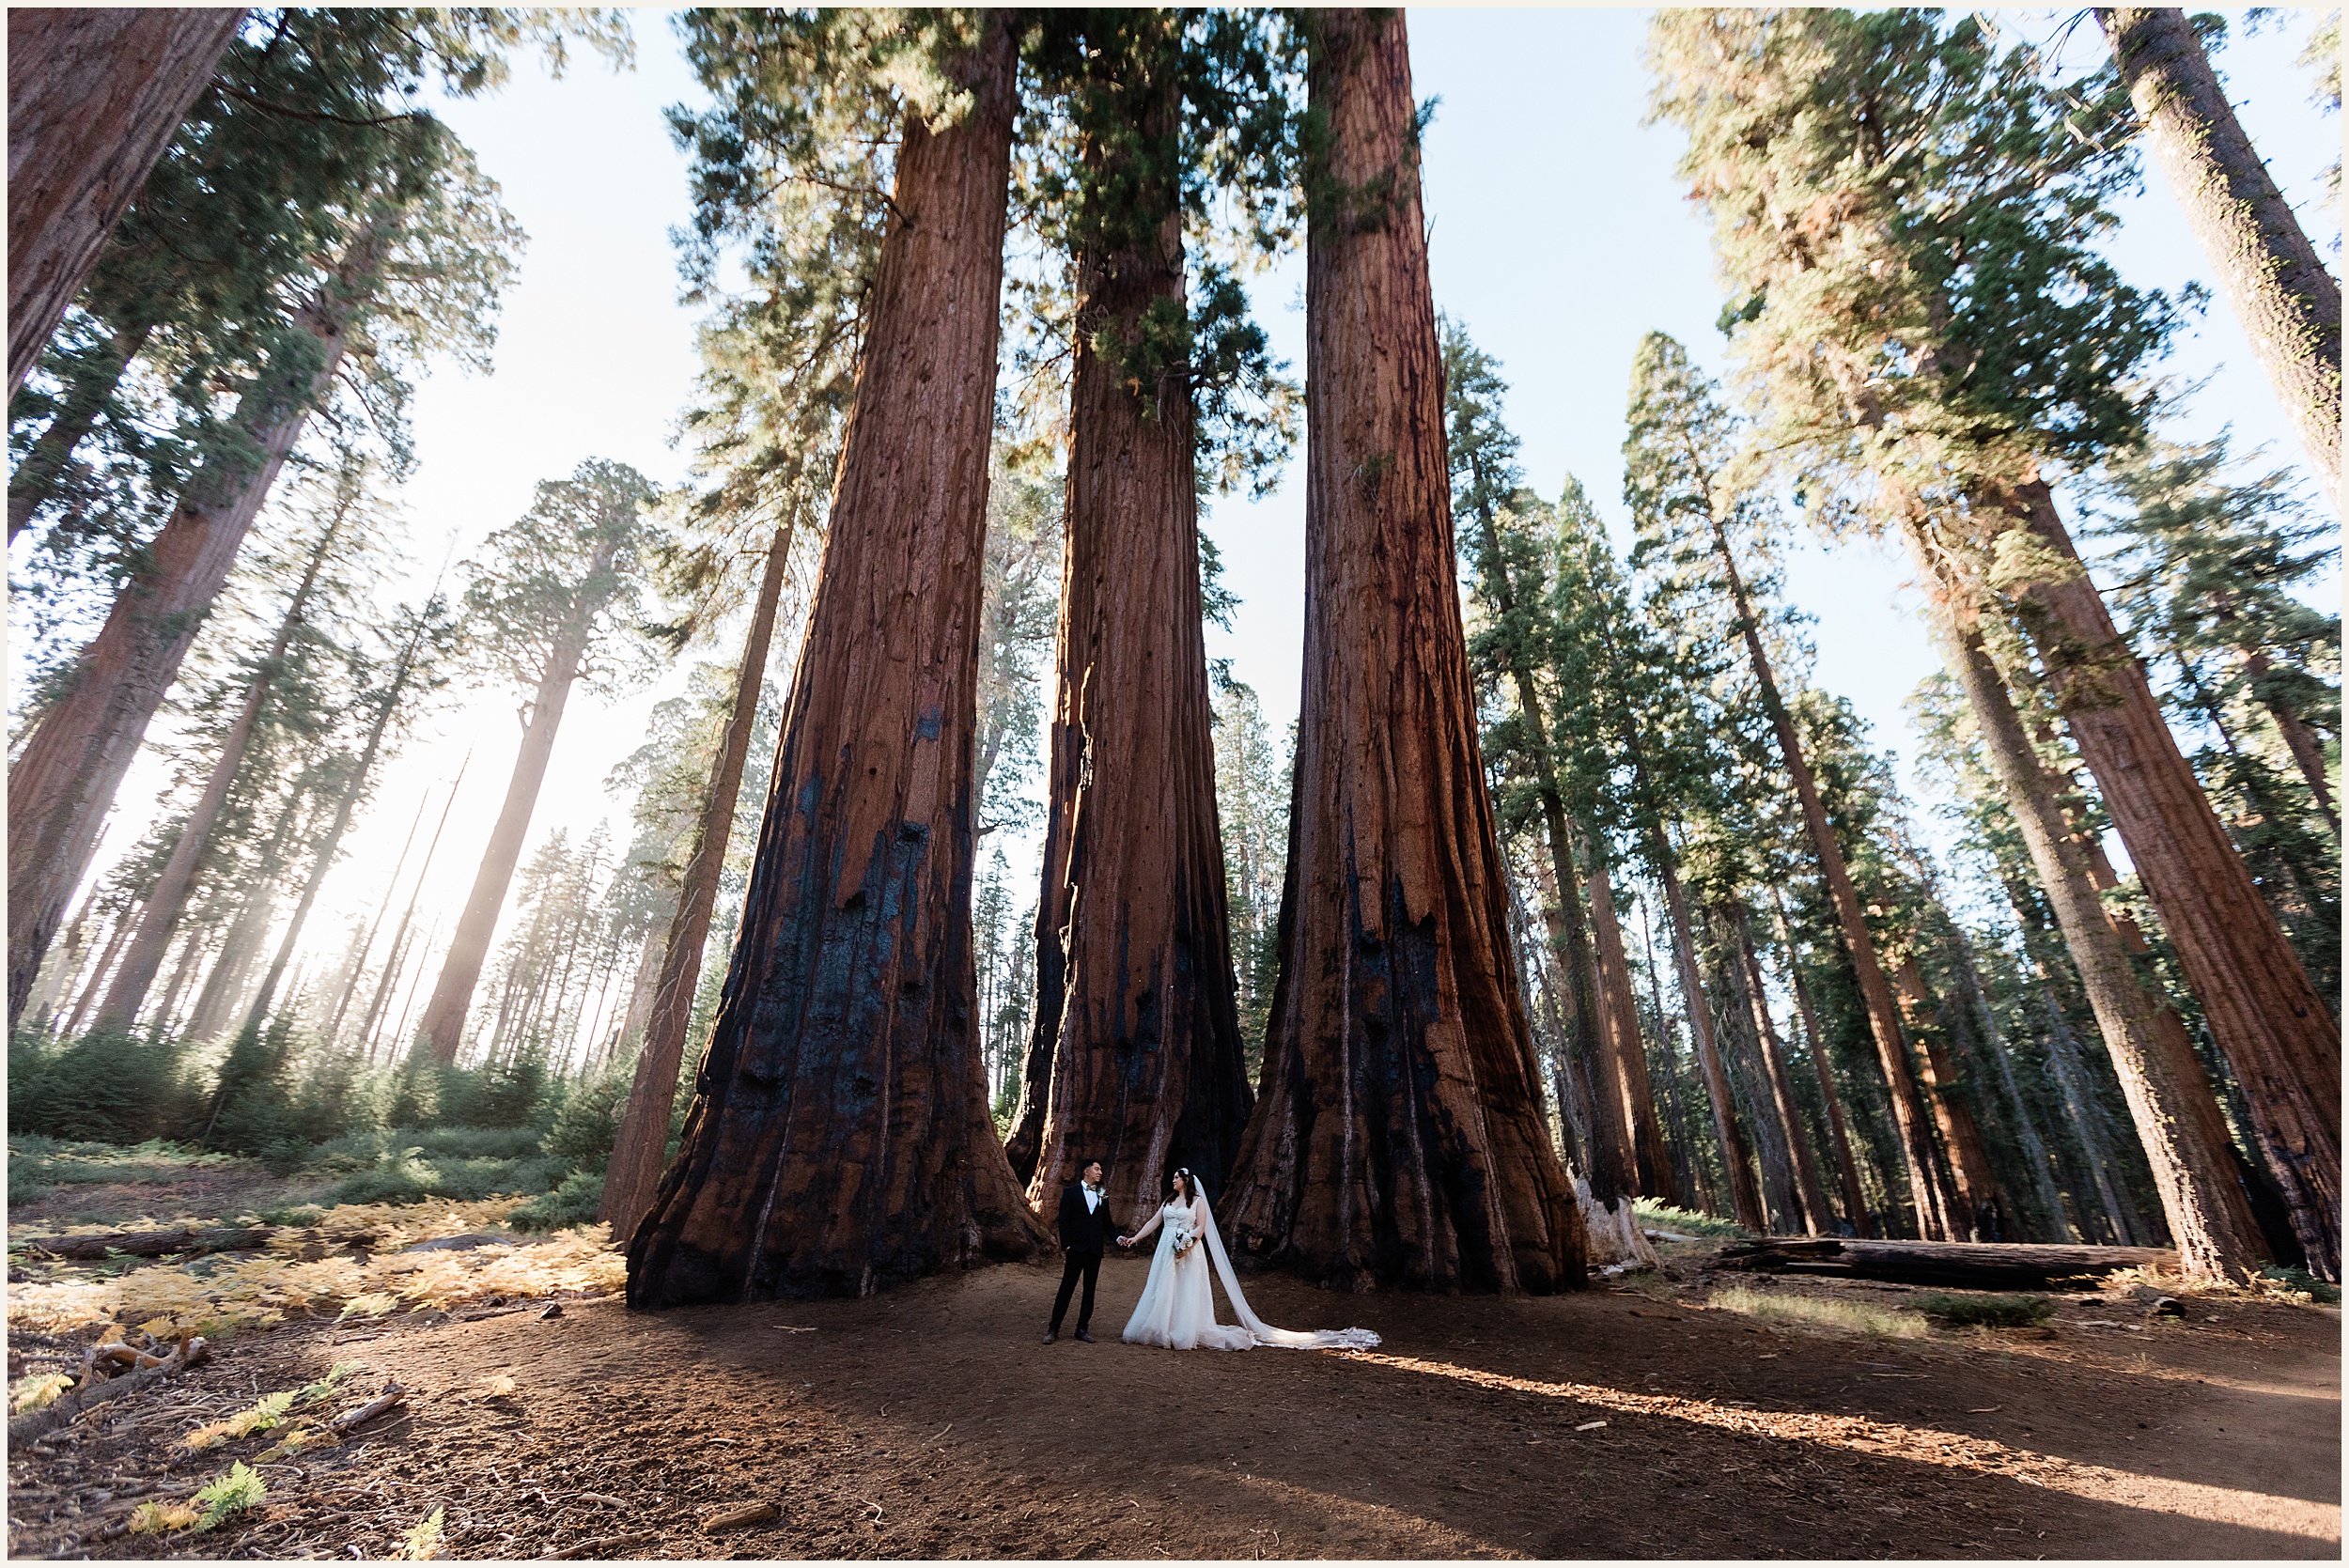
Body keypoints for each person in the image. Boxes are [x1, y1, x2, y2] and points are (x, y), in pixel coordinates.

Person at [1116, 1168, 1378, 1352]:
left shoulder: (1197, 1201)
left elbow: (1200, 1228)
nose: (1173, 1180)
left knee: (1184, 1290)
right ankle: (1161, 1326)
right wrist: (1134, 1239)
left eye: (1177, 1177)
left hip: (1187, 1251)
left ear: (1187, 1180)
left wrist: (1187, 1245)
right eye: (1173, 1177)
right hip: (1166, 1249)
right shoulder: (1169, 1201)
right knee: (1162, 1288)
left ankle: (1182, 1329)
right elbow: (1154, 1221)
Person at [1045, 1157, 1111, 1344]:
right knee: (1067, 1287)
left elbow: (1108, 1222)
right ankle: (1053, 1328)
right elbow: (1063, 1221)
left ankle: (1082, 1328)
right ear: (1086, 1171)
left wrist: (1119, 1238)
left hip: (1094, 1250)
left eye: (1100, 1170)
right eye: (1097, 1169)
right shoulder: (1071, 1193)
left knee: (1089, 1290)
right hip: (1076, 1248)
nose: (1100, 1172)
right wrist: (1066, 1245)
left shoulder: (1102, 1194)